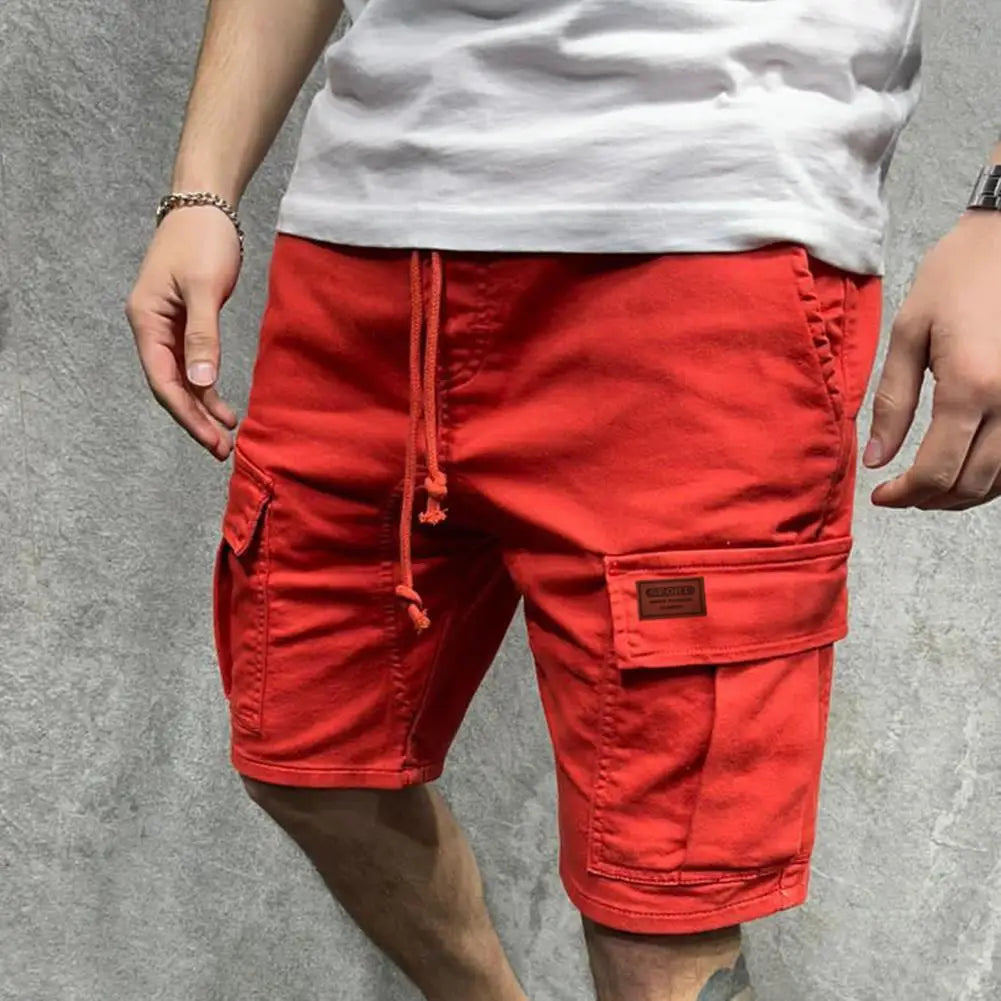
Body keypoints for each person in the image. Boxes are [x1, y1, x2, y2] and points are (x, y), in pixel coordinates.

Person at [124, 2, 1001, 998]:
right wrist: (201, 189)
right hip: (359, 257)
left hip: (704, 258)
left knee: (661, 901)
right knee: (303, 748)